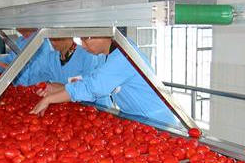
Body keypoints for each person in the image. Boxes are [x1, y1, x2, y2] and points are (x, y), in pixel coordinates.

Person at [30, 36, 181, 127]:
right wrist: (60, 88)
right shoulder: (105, 56)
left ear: (105, 34)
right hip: (135, 120)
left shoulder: (123, 56)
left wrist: (50, 99)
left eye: (86, 38)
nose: (82, 44)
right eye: (81, 39)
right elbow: (92, 80)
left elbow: (94, 87)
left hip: (157, 123)